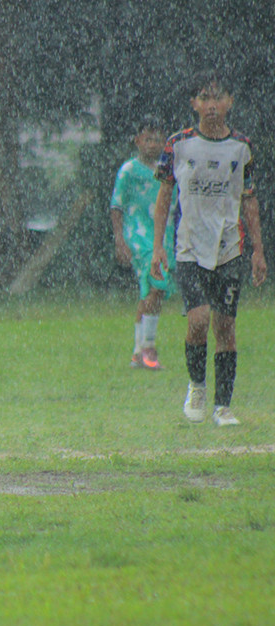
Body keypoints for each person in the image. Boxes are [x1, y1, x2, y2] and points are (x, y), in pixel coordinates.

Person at [151, 70, 266, 426]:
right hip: (188, 249)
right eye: (204, 97)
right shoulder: (178, 144)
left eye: (218, 98)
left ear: (230, 102)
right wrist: (158, 247)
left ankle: (223, 406)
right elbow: (165, 195)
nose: (212, 105)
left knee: (226, 328)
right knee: (198, 320)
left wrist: (259, 250)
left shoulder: (241, 148)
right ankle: (197, 386)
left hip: (229, 249)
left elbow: (249, 200)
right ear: (194, 104)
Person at [110, 115, 176, 370]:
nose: (152, 144)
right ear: (137, 141)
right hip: (138, 236)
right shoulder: (129, 170)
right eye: (147, 139)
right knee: (156, 287)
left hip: (163, 235)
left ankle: (138, 352)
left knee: (152, 292)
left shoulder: (167, 168)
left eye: (158, 139)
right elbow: (116, 205)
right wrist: (120, 240)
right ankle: (148, 347)